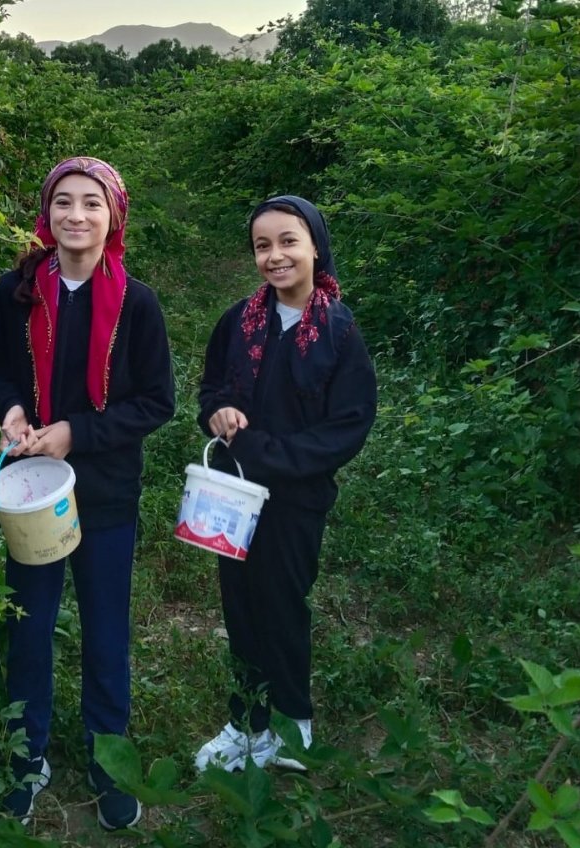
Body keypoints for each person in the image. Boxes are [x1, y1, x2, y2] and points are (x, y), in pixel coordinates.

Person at [0, 156, 175, 829]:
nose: (76, 216)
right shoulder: (16, 292)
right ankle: (25, 756)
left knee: (105, 628)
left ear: (113, 215)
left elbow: (156, 402)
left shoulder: (136, 303)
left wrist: (75, 434)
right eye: (63, 202)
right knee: (28, 625)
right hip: (32, 489)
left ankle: (107, 757)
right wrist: (10, 410)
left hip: (107, 492)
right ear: (46, 213)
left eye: (92, 203)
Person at [193, 195, 376, 773]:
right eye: (262, 245)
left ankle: (293, 724)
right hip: (232, 496)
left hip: (296, 502)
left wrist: (268, 454)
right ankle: (246, 722)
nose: (275, 256)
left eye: (288, 241)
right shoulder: (238, 322)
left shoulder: (339, 333)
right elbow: (211, 390)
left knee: (281, 606)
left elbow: (346, 428)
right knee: (240, 607)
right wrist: (218, 414)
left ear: (315, 246)